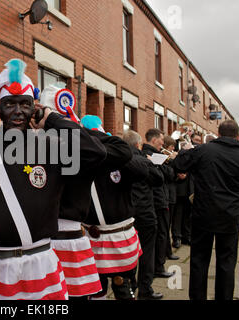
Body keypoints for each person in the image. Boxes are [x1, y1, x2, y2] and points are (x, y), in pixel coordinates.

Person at [0, 59, 107, 300]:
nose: (18, 111)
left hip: (40, 264)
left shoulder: (50, 147)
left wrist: (52, 119)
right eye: (9, 104)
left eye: (25, 104)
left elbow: (96, 151)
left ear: (34, 108)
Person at [173, 120, 239, 300]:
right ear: (237, 136)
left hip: (203, 214)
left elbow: (179, 164)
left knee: (199, 260)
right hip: (229, 216)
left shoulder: (203, 150)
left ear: (218, 133)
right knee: (227, 262)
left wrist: (186, 150)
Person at [40, 89, 104, 300]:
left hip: (69, 238)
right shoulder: (33, 144)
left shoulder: (83, 147)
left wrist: (54, 120)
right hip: (39, 242)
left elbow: (99, 150)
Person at [81, 117, 145, 300]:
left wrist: (110, 148)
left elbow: (143, 172)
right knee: (96, 289)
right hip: (92, 237)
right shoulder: (80, 160)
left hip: (120, 237)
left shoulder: (117, 159)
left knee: (123, 287)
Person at [124, 130, 165, 300]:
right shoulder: (142, 160)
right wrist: (151, 164)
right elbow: (159, 179)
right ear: (137, 144)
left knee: (129, 252)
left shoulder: (119, 160)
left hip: (127, 213)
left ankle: (130, 286)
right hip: (145, 212)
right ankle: (145, 289)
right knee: (147, 252)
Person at [142, 129, 175, 278]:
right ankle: (158, 267)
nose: (163, 143)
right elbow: (168, 175)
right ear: (154, 140)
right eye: (161, 140)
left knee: (160, 234)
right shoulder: (153, 155)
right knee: (161, 234)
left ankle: (157, 265)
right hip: (158, 200)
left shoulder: (152, 154)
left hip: (156, 199)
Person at [162, 136, 180, 261]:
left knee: (168, 224)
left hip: (171, 194)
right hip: (167, 195)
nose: (173, 148)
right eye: (172, 146)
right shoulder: (165, 158)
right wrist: (173, 161)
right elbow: (170, 174)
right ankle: (167, 252)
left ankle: (167, 251)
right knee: (165, 226)